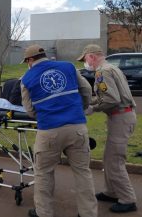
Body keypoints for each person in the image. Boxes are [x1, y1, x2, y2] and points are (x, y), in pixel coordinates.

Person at [20, 44, 97, 217]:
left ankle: (44, 213)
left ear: (30, 60)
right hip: (77, 128)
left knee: (43, 174)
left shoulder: (26, 79)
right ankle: (88, 213)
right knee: (83, 172)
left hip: (49, 131)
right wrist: (81, 108)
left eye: (27, 61)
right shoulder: (68, 67)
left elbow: (30, 110)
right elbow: (86, 89)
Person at [77, 44, 137, 213]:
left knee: (114, 160)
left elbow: (112, 100)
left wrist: (92, 109)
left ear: (92, 56)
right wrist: (90, 102)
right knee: (109, 157)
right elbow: (107, 96)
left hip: (120, 117)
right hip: (122, 116)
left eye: (85, 59)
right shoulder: (112, 68)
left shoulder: (102, 72)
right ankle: (112, 191)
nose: (85, 63)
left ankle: (127, 199)